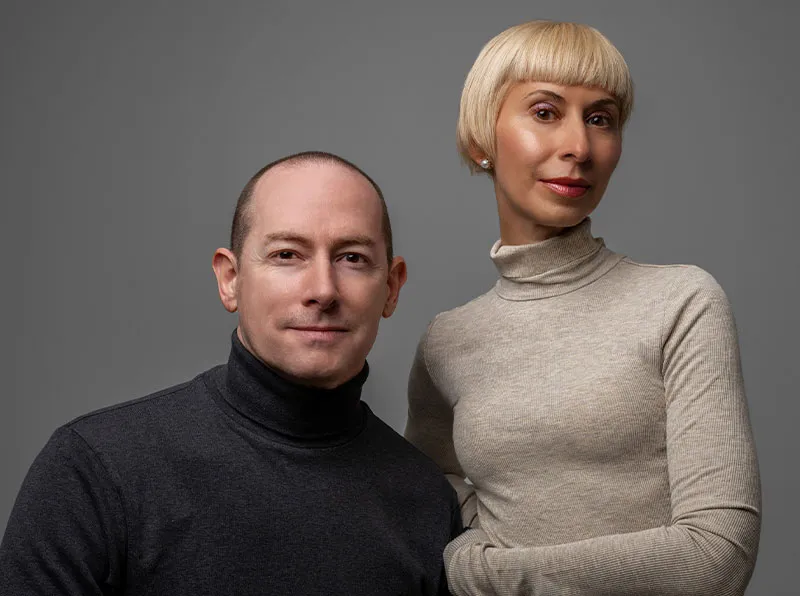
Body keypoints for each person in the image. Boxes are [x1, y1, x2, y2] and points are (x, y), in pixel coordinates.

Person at [1, 150, 462, 595]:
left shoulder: (425, 499)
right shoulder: (94, 468)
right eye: (287, 255)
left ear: (391, 287)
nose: (323, 290)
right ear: (230, 279)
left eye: (352, 258)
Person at [404, 21, 760, 596]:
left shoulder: (681, 301)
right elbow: (424, 490)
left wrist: (482, 571)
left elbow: (717, 557)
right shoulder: (448, 340)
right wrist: (473, 532)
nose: (579, 146)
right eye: (545, 112)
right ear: (480, 138)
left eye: (601, 118)